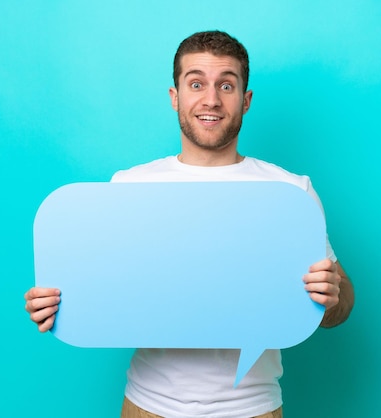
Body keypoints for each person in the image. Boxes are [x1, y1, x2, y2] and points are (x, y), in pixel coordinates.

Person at [25, 30, 354, 418]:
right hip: (148, 406)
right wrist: (54, 305)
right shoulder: (129, 187)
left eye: (226, 85)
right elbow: (99, 291)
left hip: (253, 409)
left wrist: (331, 296)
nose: (211, 99)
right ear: (174, 96)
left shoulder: (291, 191)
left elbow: (342, 302)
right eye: (196, 83)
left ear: (245, 101)